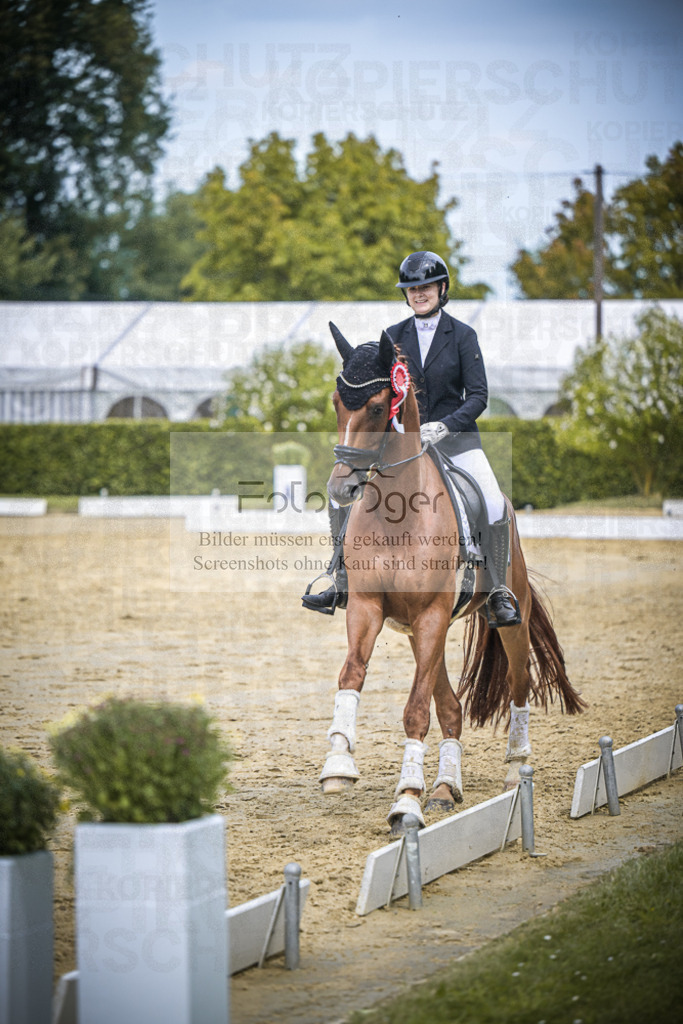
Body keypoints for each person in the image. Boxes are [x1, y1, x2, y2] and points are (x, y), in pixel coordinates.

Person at [302, 250, 520, 628]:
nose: (419, 293)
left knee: (493, 501)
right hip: (403, 447)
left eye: (426, 286)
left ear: (442, 288)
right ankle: (339, 579)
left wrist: (446, 425)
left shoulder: (463, 336)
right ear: (406, 294)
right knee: (343, 493)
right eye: (412, 288)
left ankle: (497, 590)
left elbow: (480, 396)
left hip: (457, 442)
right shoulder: (392, 338)